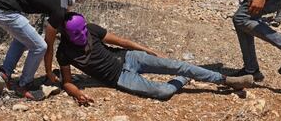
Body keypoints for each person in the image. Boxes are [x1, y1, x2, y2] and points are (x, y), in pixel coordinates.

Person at [56, 13, 254, 104]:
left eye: (83, 28)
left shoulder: (92, 29)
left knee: (177, 64)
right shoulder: (64, 52)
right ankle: (184, 79)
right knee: (163, 91)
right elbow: (67, 82)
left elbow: (123, 42)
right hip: (120, 78)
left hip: (130, 58)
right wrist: (77, 94)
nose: (82, 33)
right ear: (65, 33)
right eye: (76, 32)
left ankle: (227, 81)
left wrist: (148, 50)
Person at [0, 0, 95, 100]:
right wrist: (48, 72)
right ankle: (25, 85)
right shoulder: (60, 6)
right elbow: (48, 44)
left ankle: (4, 73)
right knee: (39, 46)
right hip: (1, 7)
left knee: (23, 38)